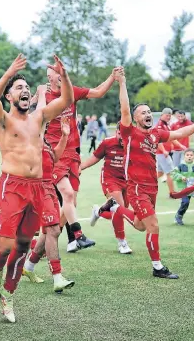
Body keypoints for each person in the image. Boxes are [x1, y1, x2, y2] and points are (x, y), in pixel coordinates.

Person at [0, 53, 74, 323]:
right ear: (10, 97)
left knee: (23, 245)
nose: (24, 91)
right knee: (4, 246)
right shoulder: (1, 119)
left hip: (38, 188)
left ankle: (8, 296)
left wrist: (65, 77)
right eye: (18, 88)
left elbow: (67, 100)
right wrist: (9, 72)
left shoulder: (39, 117)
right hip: (12, 186)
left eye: (26, 88)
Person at [99, 70, 194, 279]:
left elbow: (180, 133)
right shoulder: (129, 131)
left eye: (149, 112)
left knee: (140, 225)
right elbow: (125, 110)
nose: (147, 114)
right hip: (137, 187)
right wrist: (122, 83)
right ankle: (157, 267)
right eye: (143, 113)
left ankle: (115, 208)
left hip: (152, 187)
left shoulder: (156, 133)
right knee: (153, 225)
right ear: (136, 118)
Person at [43, 62, 121, 253]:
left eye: (63, 72)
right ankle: (77, 235)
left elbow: (98, 92)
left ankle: (49, 242)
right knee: (67, 196)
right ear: (50, 78)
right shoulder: (43, 97)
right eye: (57, 72)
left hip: (74, 154)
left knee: (71, 203)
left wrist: (112, 77)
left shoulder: (72, 91)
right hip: (55, 153)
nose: (61, 75)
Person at [22, 120, 75, 292]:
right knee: (54, 230)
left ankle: (28, 267)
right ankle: (57, 277)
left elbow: (55, 157)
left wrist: (64, 136)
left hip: (49, 187)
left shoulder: (43, 141)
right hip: (37, 189)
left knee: (47, 233)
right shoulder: (28, 138)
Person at [81, 123, 132, 254]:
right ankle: (122, 243)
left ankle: (98, 212)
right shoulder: (107, 143)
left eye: (125, 134)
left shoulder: (133, 144)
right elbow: (94, 157)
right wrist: (79, 168)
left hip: (127, 181)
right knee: (119, 208)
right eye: (119, 133)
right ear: (116, 132)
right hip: (110, 179)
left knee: (122, 212)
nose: (122, 137)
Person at [155, 108, 186, 194]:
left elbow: (171, 137)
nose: (168, 117)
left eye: (170, 115)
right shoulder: (160, 126)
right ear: (162, 115)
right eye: (166, 115)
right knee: (170, 172)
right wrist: (164, 150)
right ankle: (172, 192)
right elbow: (158, 140)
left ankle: (143, 183)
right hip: (162, 153)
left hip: (163, 153)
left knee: (160, 173)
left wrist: (180, 145)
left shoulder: (166, 125)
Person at [170, 148, 194, 225]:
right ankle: (179, 216)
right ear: (184, 156)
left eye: (191, 155)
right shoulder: (181, 166)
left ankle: (179, 215)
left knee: (186, 204)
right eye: (187, 155)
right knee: (185, 202)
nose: (189, 156)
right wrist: (181, 177)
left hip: (191, 189)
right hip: (183, 189)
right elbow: (173, 173)